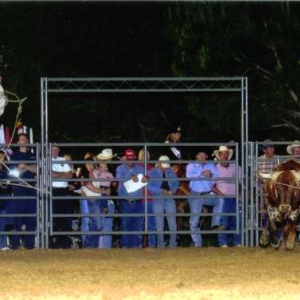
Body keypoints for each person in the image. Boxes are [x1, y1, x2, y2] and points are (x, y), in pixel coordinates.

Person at [186, 149, 224, 248]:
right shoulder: (191, 165)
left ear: (206, 156)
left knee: (220, 200)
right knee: (194, 221)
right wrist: (203, 173)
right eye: (200, 155)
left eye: (204, 155)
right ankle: (197, 243)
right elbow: (189, 175)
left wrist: (210, 174)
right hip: (195, 194)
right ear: (197, 156)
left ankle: (215, 224)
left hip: (207, 194)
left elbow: (216, 175)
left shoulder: (211, 165)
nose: (202, 157)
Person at [6, 133, 37, 250]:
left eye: (25, 139)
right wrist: (25, 167)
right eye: (21, 140)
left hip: (31, 187)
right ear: (18, 142)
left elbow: (36, 169)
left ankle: (29, 244)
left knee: (31, 217)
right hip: (19, 188)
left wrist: (25, 167)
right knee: (18, 217)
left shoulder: (33, 155)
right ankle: (15, 244)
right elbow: (14, 172)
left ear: (28, 141)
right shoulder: (14, 155)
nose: (23, 141)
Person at [115, 149, 148, 248]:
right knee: (125, 225)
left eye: (132, 159)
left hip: (138, 201)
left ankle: (136, 246)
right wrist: (130, 176)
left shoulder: (141, 168)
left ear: (134, 158)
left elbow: (145, 179)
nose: (130, 161)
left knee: (137, 225)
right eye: (128, 159)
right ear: (125, 158)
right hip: (125, 201)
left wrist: (147, 178)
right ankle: (126, 246)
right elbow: (118, 178)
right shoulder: (120, 168)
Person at [212, 146, 242, 247]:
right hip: (222, 198)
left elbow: (242, 181)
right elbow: (211, 185)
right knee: (223, 221)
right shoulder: (215, 168)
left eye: (226, 154)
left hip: (235, 197)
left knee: (237, 220)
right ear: (219, 156)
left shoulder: (235, 166)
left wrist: (240, 193)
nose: (224, 156)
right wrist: (219, 194)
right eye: (222, 154)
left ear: (228, 155)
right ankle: (223, 242)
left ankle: (237, 242)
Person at [148, 155, 179, 248]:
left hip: (169, 197)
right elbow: (149, 186)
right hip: (158, 198)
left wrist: (173, 190)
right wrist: (161, 190)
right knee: (159, 222)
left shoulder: (171, 171)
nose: (165, 168)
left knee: (172, 221)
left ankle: (172, 243)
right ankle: (161, 244)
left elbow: (176, 182)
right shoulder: (151, 172)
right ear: (159, 164)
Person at [79, 156, 110, 248]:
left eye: (91, 164)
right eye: (87, 164)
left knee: (97, 223)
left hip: (98, 200)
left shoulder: (96, 174)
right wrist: (105, 191)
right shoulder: (83, 175)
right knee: (96, 223)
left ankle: (91, 245)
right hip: (91, 201)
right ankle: (88, 245)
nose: (90, 166)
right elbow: (91, 187)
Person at [51, 145, 73, 249]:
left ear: (59, 150)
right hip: (53, 190)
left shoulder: (63, 160)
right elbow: (51, 175)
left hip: (63, 191)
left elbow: (70, 175)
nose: (54, 151)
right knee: (54, 216)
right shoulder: (46, 160)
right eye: (52, 149)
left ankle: (64, 241)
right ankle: (53, 242)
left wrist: (58, 174)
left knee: (65, 217)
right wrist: (64, 174)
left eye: (56, 149)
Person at [257, 140, 278, 236]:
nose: (272, 150)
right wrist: (262, 182)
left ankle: (274, 232)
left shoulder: (277, 159)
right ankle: (265, 231)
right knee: (264, 210)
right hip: (263, 190)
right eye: (269, 148)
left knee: (277, 209)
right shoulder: (259, 160)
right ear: (264, 150)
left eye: (272, 148)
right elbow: (255, 175)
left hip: (276, 189)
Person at [96, 148, 116, 249]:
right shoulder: (98, 172)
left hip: (106, 195)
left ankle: (104, 247)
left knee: (105, 224)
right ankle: (102, 247)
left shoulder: (110, 172)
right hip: (103, 195)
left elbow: (114, 184)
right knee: (103, 224)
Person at [137, 148, 156, 248]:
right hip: (139, 199)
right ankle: (138, 244)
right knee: (139, 223)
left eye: (146, 155)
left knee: (151, 222)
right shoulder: (136, 168)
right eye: (142, 155)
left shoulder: (152, 169)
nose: (144, 156)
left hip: (149, 198)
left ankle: (152, 244)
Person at [0, 150, 12, 250]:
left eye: (2, 157)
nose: (0, 159)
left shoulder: (7, 171)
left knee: (3, 222)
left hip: (4, 199)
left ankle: (2, 244)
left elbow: (9, 186)